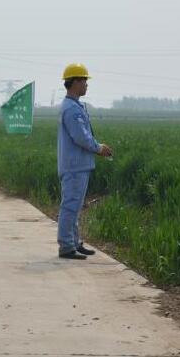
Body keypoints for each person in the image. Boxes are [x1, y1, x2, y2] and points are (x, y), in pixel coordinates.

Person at [57, 64, 113, 260]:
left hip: (79, 164)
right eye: (84, 81)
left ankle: (74, 242)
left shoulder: (75, 106)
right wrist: (99, 148)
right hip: (75, 166)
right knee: (71, 205)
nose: (87, 85)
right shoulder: (71, 109)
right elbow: (80, 137)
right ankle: (66, 246)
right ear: (75, 82)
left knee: (76, 205)